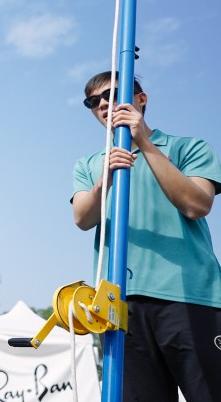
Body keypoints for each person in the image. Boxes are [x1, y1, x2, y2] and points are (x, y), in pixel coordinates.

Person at [71, 71, 221, 401]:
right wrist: (105, 180)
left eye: (112, 94)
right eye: (93, 102)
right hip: (118, 304)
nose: (103, 104)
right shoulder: (90, 164)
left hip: (189, 295)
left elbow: (197, 205)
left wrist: (144, 143)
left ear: (141, 99)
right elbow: (82, 218)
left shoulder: (188, 147)